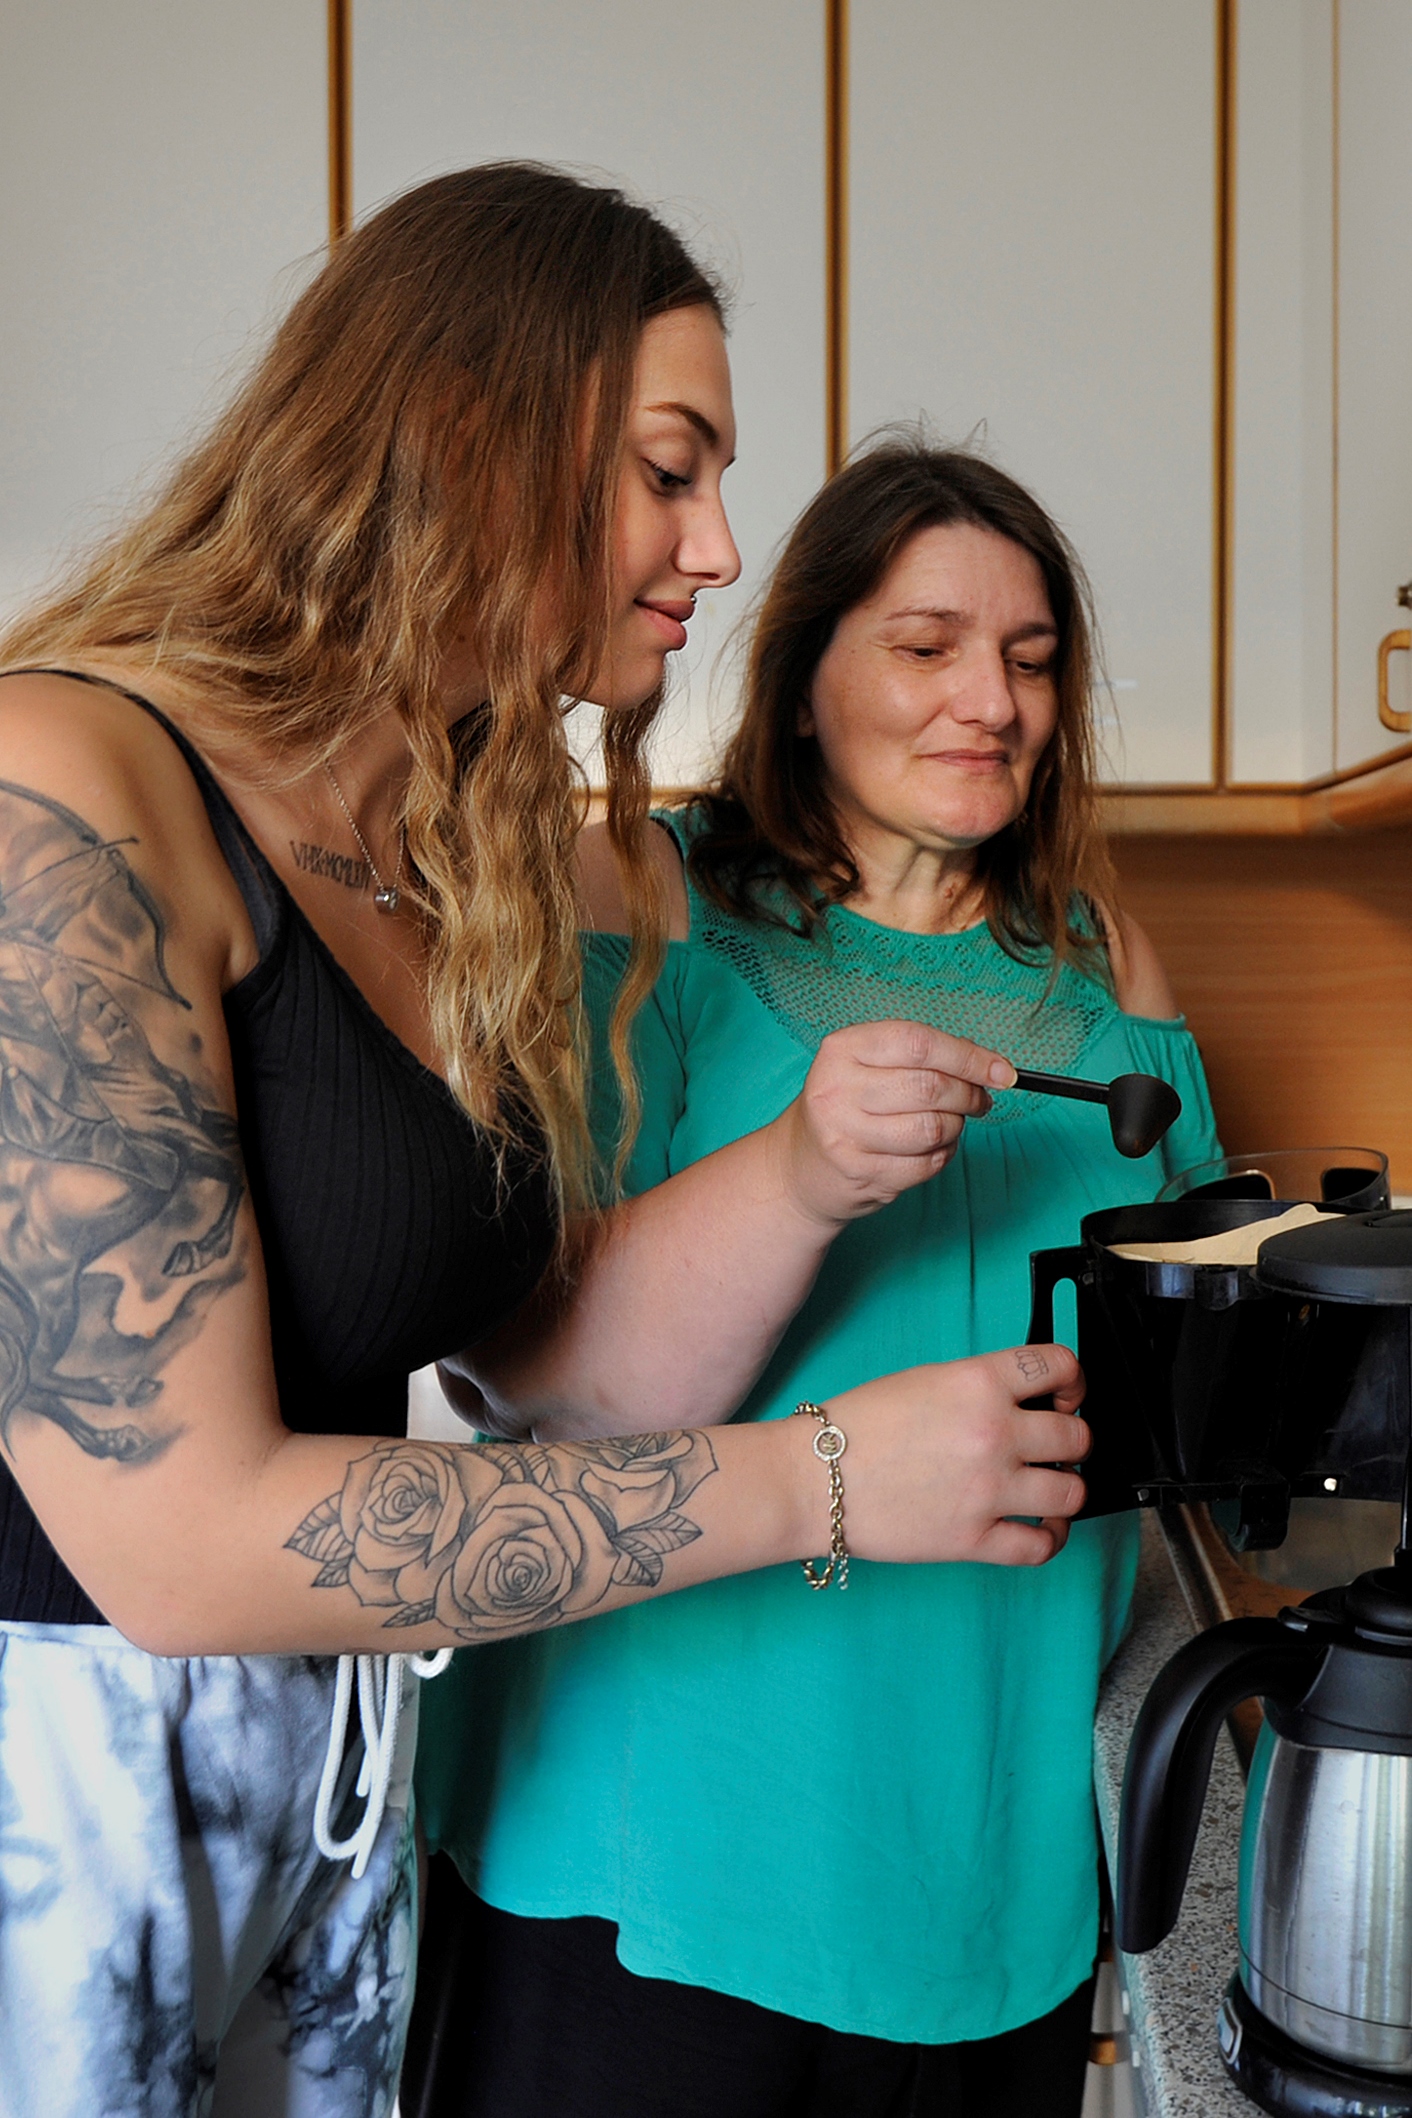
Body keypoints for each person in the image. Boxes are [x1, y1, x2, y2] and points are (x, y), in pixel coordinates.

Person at [0, 173, 1091, 2118]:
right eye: (671, 473)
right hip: (62, 1808)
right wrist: (824, 1481)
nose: (721, 548)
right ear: (472, 439)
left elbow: (552, 1371)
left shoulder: (453, 867)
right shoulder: (65, 788)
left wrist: (808, 1178)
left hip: (325, 1794)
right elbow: (178, 1541)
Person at [414, 440, 1221, 2118]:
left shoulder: (1106, 964)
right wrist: (804, 1166)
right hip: (647, 1852)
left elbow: (1186, 1390)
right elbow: (529, 1371)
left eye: (1030, 656)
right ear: (799, 684)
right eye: (925, 647)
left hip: (990, 1858)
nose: (986, 700)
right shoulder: (632, 906)